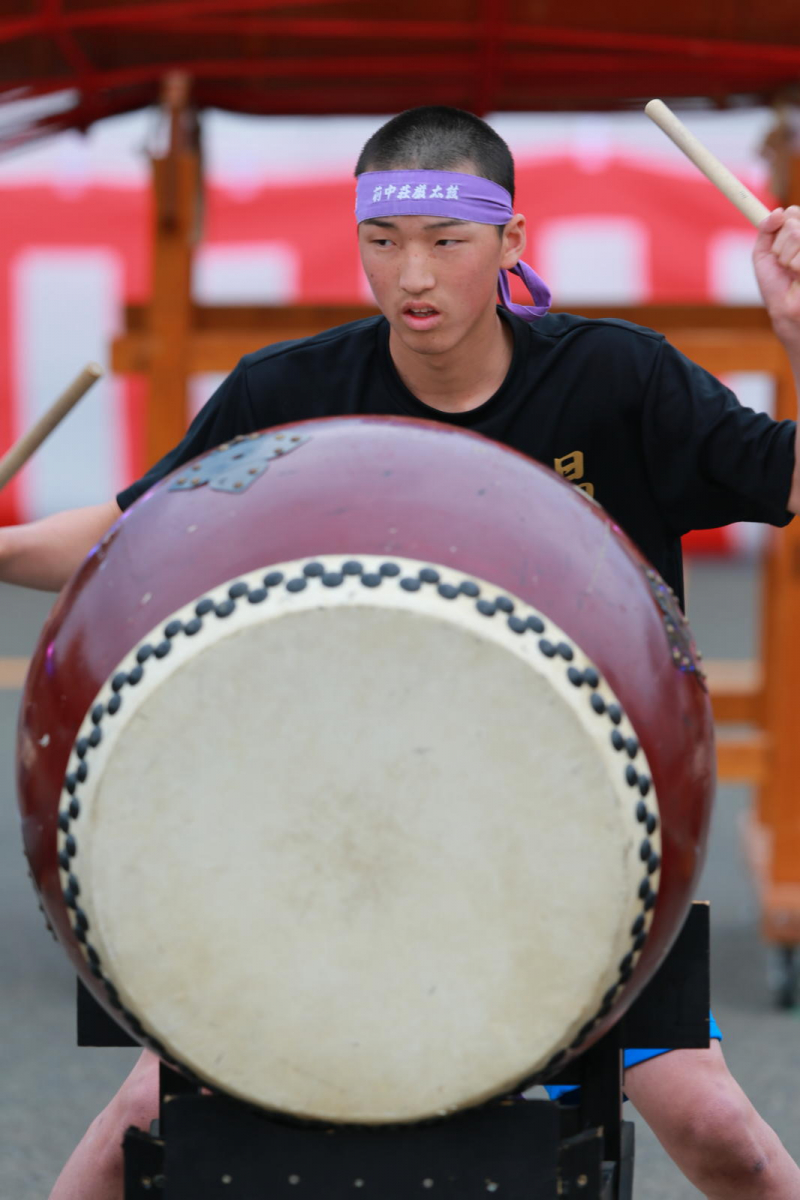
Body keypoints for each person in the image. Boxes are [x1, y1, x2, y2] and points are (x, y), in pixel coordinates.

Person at [4, 105, 800, 1199]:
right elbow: (129, 535)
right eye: (382, 242)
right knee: (141, 1123)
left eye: (445, 243)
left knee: (721, 1136)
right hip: (324, 843)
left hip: (566, 860)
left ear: (511, 241)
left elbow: (785, 477)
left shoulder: (614, 380)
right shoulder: (288, 396)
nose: (410, 274)